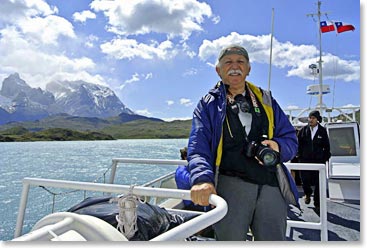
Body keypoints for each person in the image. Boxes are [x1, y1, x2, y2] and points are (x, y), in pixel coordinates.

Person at [187, 44, 299, 241]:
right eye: (228, 62)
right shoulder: (207, 104)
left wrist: (278, 146)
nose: (235, 66)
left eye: (240, 62)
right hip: (231, 187)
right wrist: (202, 179)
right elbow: (198, 147)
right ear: (218, 70)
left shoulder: (266, 100)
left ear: (249, 68)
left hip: (270, 185)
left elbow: (290, 137)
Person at [297, 110, 331, 212]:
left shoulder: (322, 131)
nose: (310, 120)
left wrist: (324, 159)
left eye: (313, 118)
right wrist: (299, 156)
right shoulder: (303, 130)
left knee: (318, 183)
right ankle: (307, 194)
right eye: (310, 118)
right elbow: (298, 144)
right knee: (305, 181)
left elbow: (327, 146)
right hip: (305, 161)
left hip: (318, 161)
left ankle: (317, 203)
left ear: (317, 120)